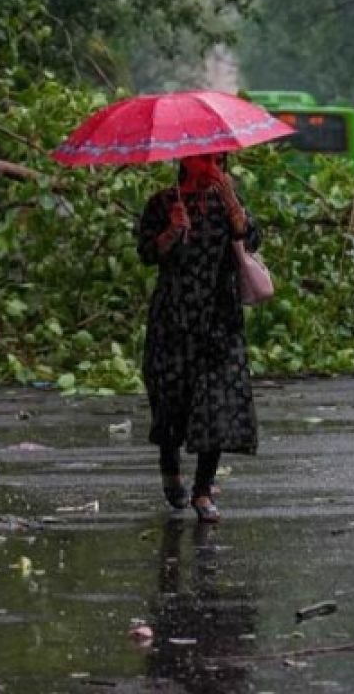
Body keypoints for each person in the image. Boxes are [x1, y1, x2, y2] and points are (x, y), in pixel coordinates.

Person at [136, 152, 260, 523]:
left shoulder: (226, 202)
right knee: (172, 397)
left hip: (219, 317)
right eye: (204, 158)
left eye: (218, 159)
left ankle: (203, 490)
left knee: (217, 401)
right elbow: (147, 254)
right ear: (186, 160)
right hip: (174, 317)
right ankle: (170, 468)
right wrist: (172, 231)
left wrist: (233, 203)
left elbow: (250, 239)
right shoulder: (162, 202)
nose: (211, 165)